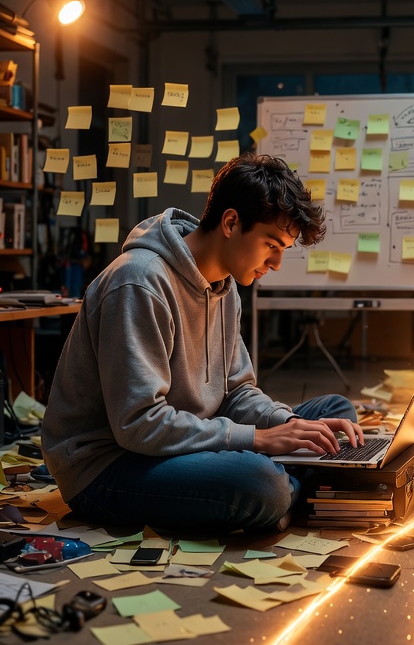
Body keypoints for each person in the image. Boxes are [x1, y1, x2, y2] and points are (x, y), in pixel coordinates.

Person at [42, 154, 364, 535]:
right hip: (108, 465)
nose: (276, 263)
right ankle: (291, 490)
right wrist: (259, 440)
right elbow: (138, 425)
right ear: (231, 223)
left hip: (186, 436)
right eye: (271, 245)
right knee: (261, 483)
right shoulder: (140, 281)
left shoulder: (226, 288)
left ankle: (288, 491)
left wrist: (288, 425)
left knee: (334, 412)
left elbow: (237, 392)